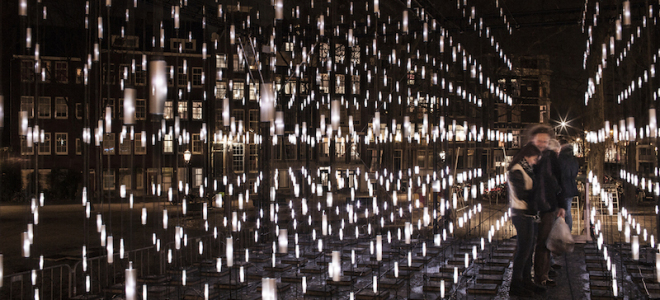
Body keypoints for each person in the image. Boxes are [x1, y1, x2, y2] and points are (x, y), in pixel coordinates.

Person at [528, 125, 566, 287]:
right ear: (533, 140)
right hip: (529, 207)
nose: (542, 144)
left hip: (548, 205)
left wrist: (561, 205)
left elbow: (560, 180)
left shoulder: (551, 157)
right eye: (539, 141)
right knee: (527, 244)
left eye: (545, 141)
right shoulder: (527, 156)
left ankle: (541, 276)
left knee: (544, 242)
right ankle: (523, 277)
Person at [508, 143, 546, 297]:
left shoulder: (526, 169)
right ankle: (516, 284)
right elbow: (522, 194)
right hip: (521, 213)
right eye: (535, 158)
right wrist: (537, 195)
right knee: (523, 250)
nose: (536, 161)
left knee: (528, 249)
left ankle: (526, 281)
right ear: (527, 156)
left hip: (528, 213)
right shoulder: (517, 170)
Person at [558, 140, 579, 232]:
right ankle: (568, 232)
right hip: (570, 187)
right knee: (568, 212)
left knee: (558, 211)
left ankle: (559, 233)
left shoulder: (560, 158)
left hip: (561, 188)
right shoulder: (574, 159)